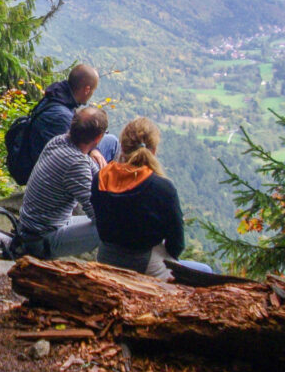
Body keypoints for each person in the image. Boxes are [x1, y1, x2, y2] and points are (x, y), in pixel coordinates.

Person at [90, 116, 212, 279]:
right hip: (145, 264)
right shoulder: (162, 188)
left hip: (106, 258)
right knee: (205, 270)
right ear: (153, 151)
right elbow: (176, 243)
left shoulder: (101, 178)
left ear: (123, 148)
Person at [16, 106, 109, 259]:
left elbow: (97, 174)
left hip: (31, 229)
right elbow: (99, 217)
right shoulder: (75, 164)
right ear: (98, 138)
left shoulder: (59, 141)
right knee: (109, 229)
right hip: (40, 240)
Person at [22, 65, 119, 174]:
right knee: (111, 145)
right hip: (54, 170)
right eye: (93, 90)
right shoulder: (62, 116)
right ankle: (105, 185)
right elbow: (75, 154)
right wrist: (93, 152)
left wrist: (94, 149)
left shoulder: (57, 97)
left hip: (48, 157)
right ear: (87, 89)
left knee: (111, 140)